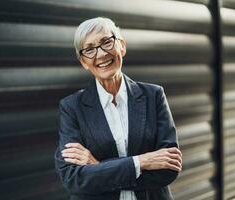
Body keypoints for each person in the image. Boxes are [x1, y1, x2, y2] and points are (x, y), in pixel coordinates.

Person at [54, 17, 182, 200]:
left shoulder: (153, 96)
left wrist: (98, 166)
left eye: (106, 42)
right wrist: (140, 162)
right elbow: (74, 179)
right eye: (89, 49)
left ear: (122, 46)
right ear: (83, 61)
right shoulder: (71, 107)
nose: (100, 54)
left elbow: (169, 168)